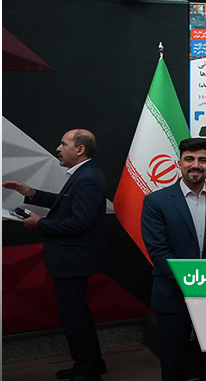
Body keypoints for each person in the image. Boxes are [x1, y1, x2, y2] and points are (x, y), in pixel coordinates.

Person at [3, 129, 107, 381]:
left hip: (73, 262)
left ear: (80, 149)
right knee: (77, 315)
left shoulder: (87, 178)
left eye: (63, 144)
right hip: (72, 261)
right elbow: (65, 202)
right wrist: (31, 192)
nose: (58, 149)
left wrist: (40, 224)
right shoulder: (83, 174)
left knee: (75, 318)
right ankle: (92, 364)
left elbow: (80, 222)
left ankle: (87, 370)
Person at [141, 138, 206, 381]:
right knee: (173, 365)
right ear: (179, 163)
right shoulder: (156, 201)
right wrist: (194, 285)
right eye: (189, 159)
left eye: (202, 160)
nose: (196, 165)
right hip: (172, 296)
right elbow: (159, 252)